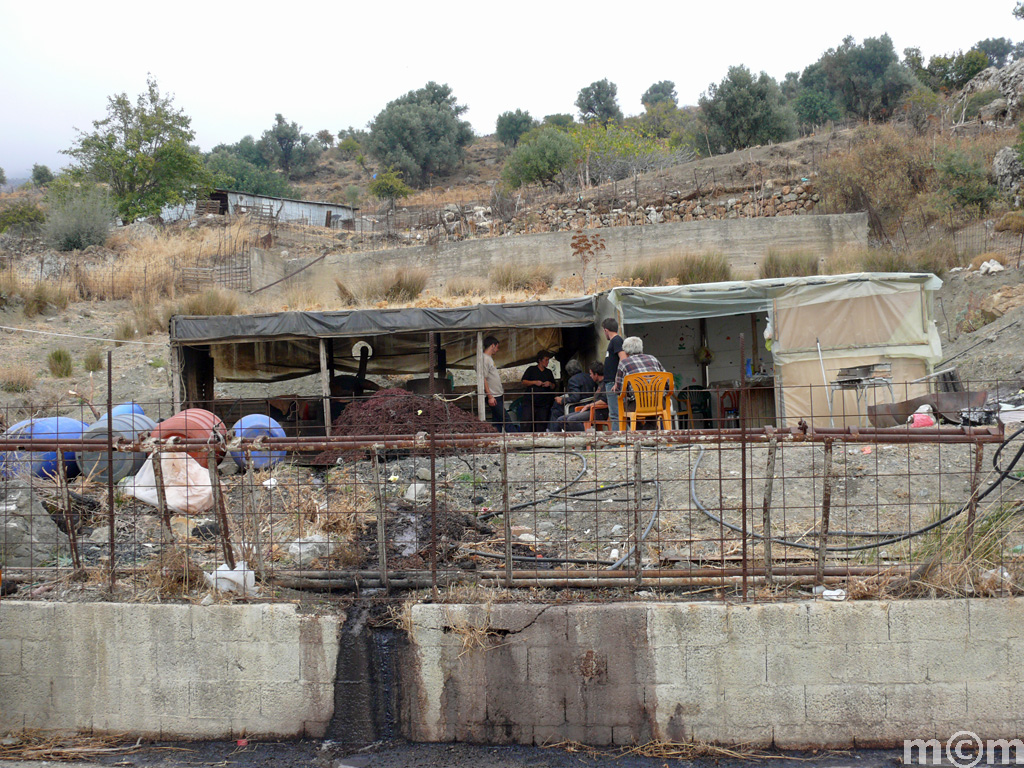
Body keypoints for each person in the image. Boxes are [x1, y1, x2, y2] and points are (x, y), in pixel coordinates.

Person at [613, 336, 666, 428]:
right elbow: (668, 381)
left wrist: (617, 389)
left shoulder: (624, 363)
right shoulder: (653, 359)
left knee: (624, 409)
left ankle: (639, 432)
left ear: (625, 351)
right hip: (659, 403)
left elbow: (619, 390)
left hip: (637, 404)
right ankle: (650, 429)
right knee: (652, 404)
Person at [551, 362, 606, 432]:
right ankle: (574, 439)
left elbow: (604, 401)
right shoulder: (597, 383)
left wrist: (589, 405)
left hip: (598, 411)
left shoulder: (606, 384)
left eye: (591, 373)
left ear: (596, 374)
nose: (590, 376)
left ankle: (588, 436)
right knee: (561, 420)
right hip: (590, 408)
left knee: (571, 420)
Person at [520, 350, 557, 431]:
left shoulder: (549, 372)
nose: (547, 362)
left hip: (544, 402)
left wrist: (549, 384)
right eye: (546, 360)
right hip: (530, 400)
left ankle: (540, 441)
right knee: (527, 421)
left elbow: (554, 386)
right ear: (540, 360)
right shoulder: (531, 369)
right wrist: (534, 382)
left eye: (548, 360)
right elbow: (524, 381)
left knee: (542, 422)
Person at [602, 318, 627, 431]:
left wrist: (618, 381)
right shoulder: (614, 342)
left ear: (606, 330)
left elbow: (623, 359)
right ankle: (623, 440)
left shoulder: (616, 340)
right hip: (611, 382)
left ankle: (618, 442)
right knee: (615, 414)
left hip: (614, 383)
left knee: (615, 414)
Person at [480, 336, 509, 431]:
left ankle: (496, 440)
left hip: (497, 394)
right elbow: (483, 378)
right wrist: (490, 396)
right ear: (493, 345)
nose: (497, 350)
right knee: (506, 419)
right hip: (493, 395)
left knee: (497, 420)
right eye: (497, 347)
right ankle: (518, 440)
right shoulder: (484, 359)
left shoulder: (489, 358)